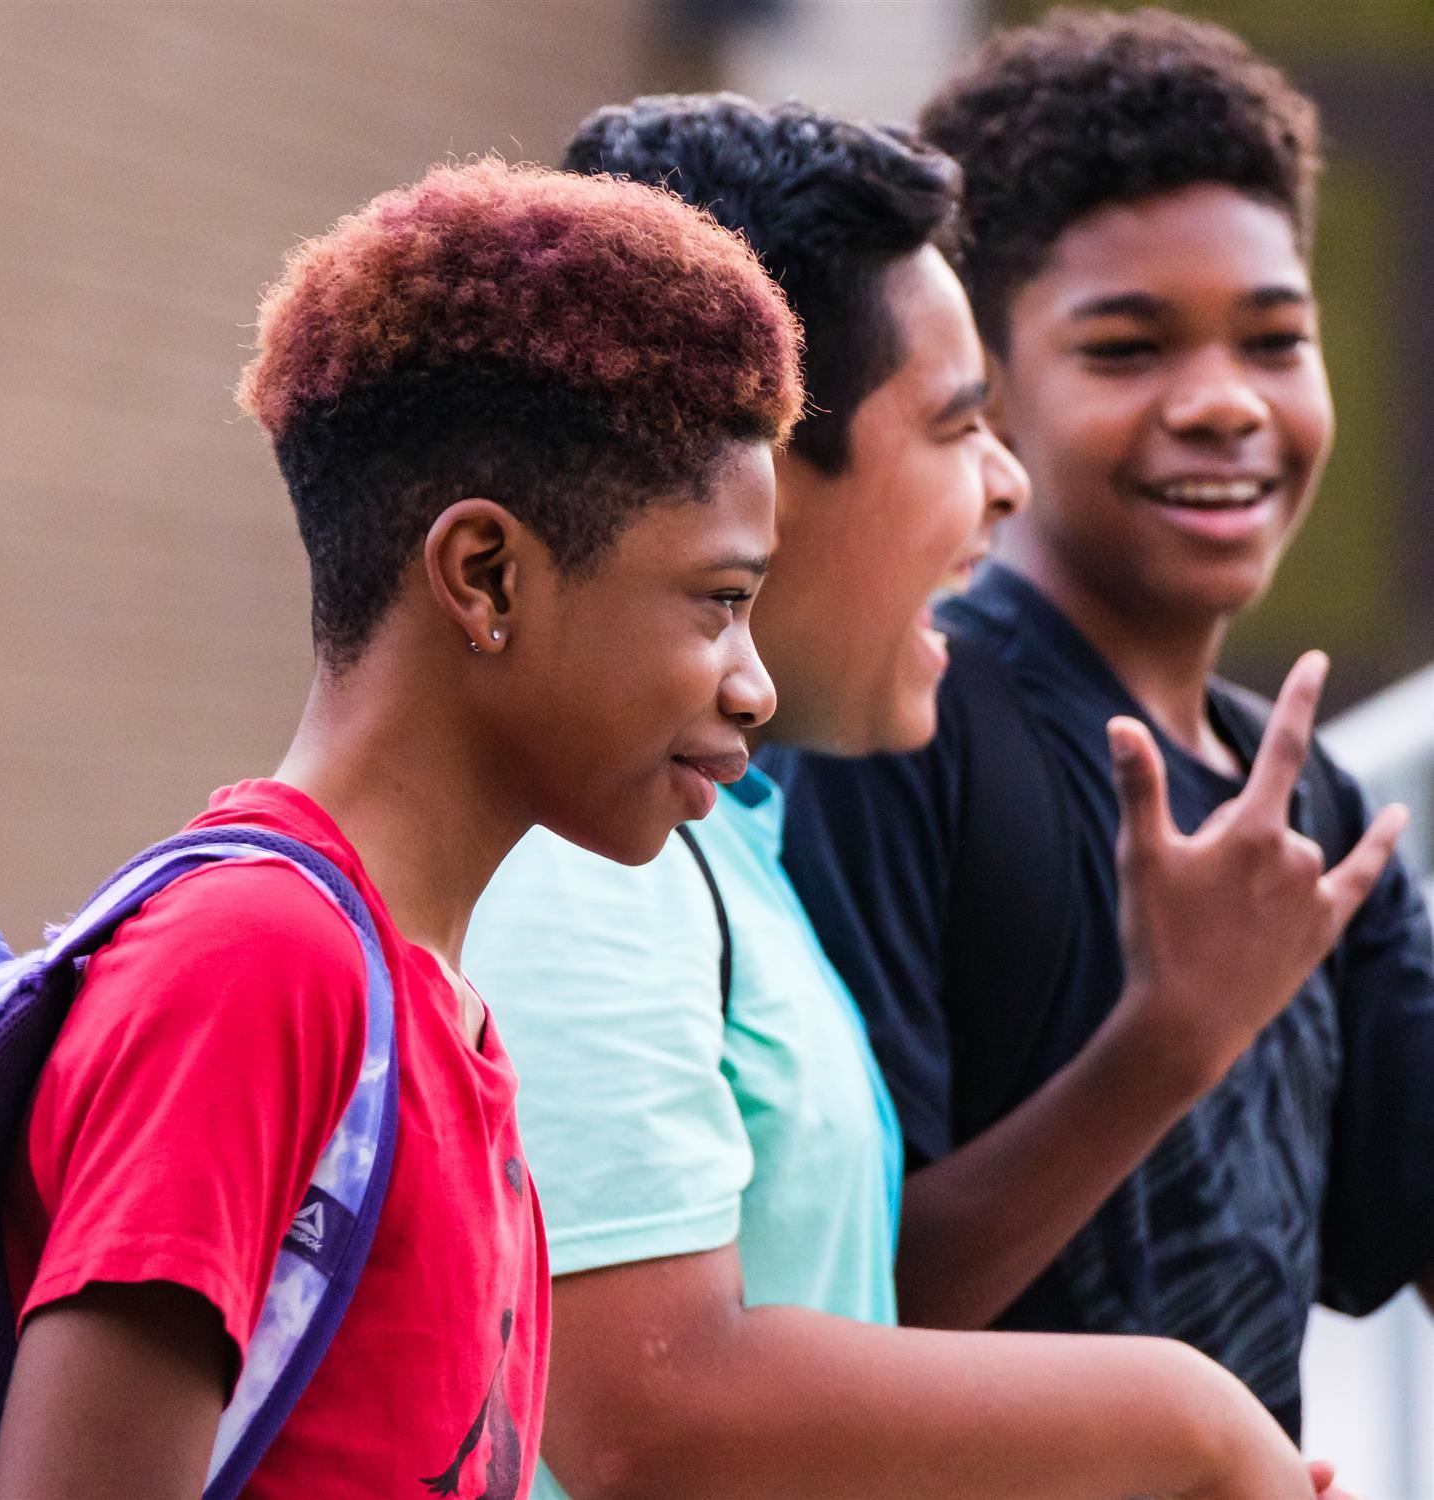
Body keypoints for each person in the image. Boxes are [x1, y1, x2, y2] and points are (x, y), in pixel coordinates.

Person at [465, 93, 1360, 1500]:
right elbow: (649, 1419)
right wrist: (1189, 1426)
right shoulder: (577, 861)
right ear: (754, 462)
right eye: (956, 427)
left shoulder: (715, 842)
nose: (1001, 486)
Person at [0, 157, 803, 1499]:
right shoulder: (255, 968)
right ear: (484, 575)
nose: (753, 683)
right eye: (718, 602)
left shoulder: (434, 1012)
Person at [772, 4, 1433, 1443]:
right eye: (1128, 350)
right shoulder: (896, 728)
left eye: (1274, 339)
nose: (1222, 404)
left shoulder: (1302, 794)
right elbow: (830, 1323)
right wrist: (1168, 1041)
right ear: (988, 395)